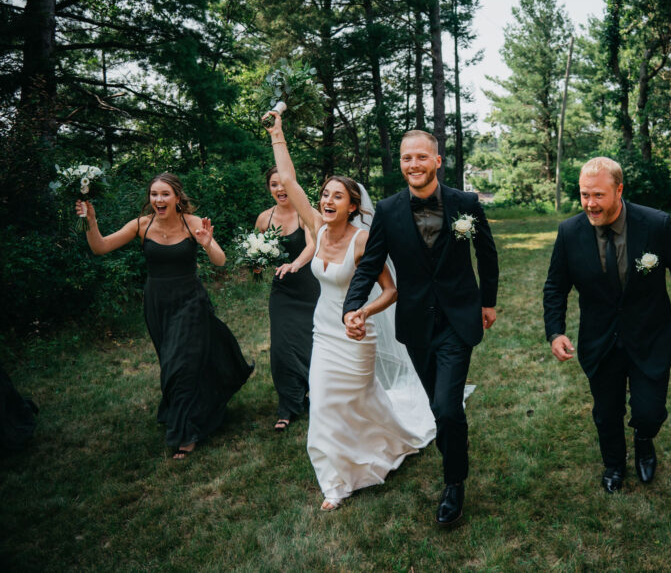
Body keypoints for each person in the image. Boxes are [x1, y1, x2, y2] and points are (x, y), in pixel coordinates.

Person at [264, 112, 434, 511]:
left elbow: (392, 291)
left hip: (357, 338)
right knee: (323, 405)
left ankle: (392, 441)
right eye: (325, 195)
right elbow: (288, 181)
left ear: (353, 205)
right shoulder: (318, 230)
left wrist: (363, 313)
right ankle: (335, 482)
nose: (326, 200)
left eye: (337, 196)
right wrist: (278, 134)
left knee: (358, 402)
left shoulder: (363, 242)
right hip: (323, 334)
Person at [343, 129, 499, 527]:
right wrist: (351, 306)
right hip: (415, 322)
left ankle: (454, 485)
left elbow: (486, 252)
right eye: (406, 158)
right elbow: (369, 264)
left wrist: (488, 301)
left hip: (458, 318)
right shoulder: (389, 210)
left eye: (420, 157)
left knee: (447, 406)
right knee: (438, 406)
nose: (413, 164)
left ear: (436, 161)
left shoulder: (465, 203)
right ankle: (454, 439)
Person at [543, 157, 671, 494]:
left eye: (598, 195)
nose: (590, 204)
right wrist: (555, 331)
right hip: (599, 339)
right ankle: (614, 464)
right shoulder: (569, 232)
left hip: (650, 335)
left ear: (619, 190)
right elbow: (556, 286)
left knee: (650, 411)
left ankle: (644, 439)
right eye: (584, 195)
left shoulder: (656, 224)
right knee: (606, 412)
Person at [76, 173, 253, 460]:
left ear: (177, 198)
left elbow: (220, 260)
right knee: (172, 362)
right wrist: (90, 221)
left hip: (190, 301)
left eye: (165, 194)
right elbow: (100, 247)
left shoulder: (191, 223)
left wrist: (207, 243)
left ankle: (184, 435)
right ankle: (195, 410)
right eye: (154, 194)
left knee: (180, 366)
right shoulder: (141, 225)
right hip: (158, 305)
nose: (158, 199)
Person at [255, 166, 319, 432]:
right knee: (282, 348)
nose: (280, 189)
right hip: (282, 290)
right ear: (269, 188)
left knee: (313, 343)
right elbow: (258, 247)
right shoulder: (264, 218)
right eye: (273, 185)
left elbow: (314, 245)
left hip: (310, 287)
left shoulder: (305, 213)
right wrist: (255, 262)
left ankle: (318, 395)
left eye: (283, 184)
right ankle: (288, 404)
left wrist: (296, 263)